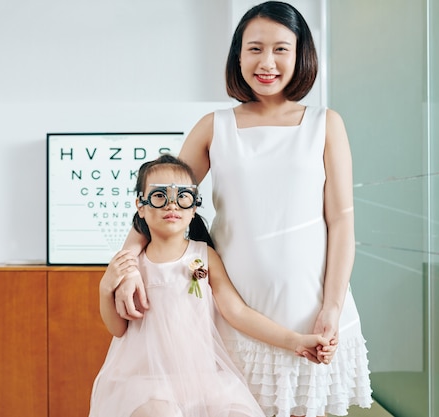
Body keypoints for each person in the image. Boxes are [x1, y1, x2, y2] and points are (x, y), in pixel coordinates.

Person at [113, 2, 373, 417]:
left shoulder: (326, 123)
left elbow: (341, 221)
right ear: (238, 55)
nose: (266, 62)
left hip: (309, 308)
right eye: (254, 48)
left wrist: (332, 305)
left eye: (280, 49)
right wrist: (125, 271)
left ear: (301, 54)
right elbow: (161, 204)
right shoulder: (214, 126)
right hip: (231, 312)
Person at [90, 155, 335, 417]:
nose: (172, 204)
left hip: (202, 379)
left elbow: (238, 312)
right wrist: (106, 287)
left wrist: (296, 340)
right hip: (147, 382)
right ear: (141, 205)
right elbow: (118, 328)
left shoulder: (204, 256)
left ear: (194, 206)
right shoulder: (132, 265)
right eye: (160, 195)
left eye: (182, 196)